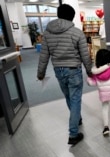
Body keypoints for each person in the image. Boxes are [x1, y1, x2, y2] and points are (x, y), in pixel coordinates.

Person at [37, 4, 93, 145]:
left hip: (58, 70)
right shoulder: (77, 32)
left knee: (69, 96)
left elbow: (44, 55)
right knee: (75, 99)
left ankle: (77, 118)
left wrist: (40, 73)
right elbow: (85, 55)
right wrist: (89, 70)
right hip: (73, 70)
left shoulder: (47, 33)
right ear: (72, 17)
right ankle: (73, 134)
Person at [87, 49, 110, 136]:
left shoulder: (96, 71)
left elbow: (93, 83)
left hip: (103, 93)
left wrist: (88, 80)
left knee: (105, 108)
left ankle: (106, 127)